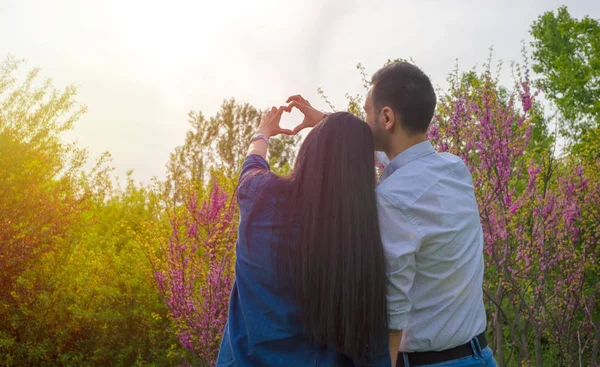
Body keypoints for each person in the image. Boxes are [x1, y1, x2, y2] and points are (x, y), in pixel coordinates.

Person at [288, 61, 497, 367]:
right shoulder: (456, 168)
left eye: (365, 112)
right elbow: (403, 166)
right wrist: (329, 122)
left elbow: (392, 315)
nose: (363, 120)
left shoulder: (391, 199)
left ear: (387, 116)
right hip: (480, 355)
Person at [216, 107, 391, 366]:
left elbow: (252, 163)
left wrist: (263, 132)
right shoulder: (362, 237)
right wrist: (341, 132)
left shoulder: (260, 195)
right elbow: (372, 349)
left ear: (309, 151)